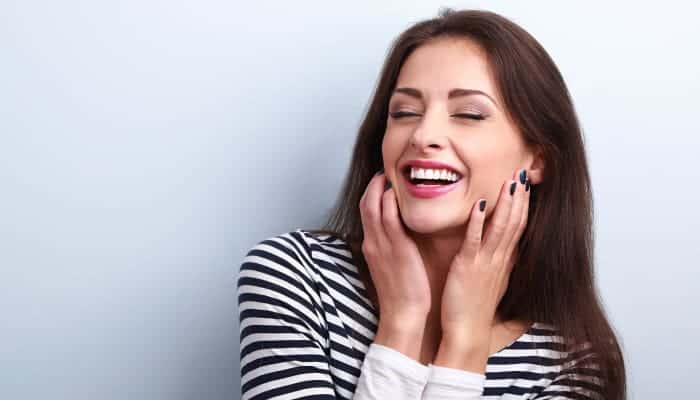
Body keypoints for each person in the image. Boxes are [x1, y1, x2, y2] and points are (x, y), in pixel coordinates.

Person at [237, 8, 626, 400]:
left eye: (469, 114)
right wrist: (402, 324)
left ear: (537, 160)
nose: (424, 135)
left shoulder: (571, 362)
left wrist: (465, 342)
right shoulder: (295, 276)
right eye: (404, 112)